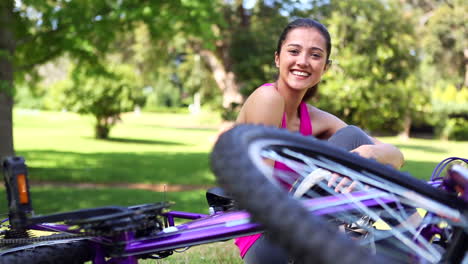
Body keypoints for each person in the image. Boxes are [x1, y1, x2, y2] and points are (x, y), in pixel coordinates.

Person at [233, 18, 404, 264]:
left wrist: (370, 153)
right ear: (277, 58)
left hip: (306, 230)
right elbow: (262, 192)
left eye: (315, 55)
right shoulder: (267, 98)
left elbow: (396, 156)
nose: (302, 61)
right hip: (267, 240)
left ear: (325, 67)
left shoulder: (316, 119)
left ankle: (413, 237)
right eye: (294, 51)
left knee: (354, 137)